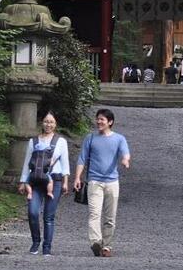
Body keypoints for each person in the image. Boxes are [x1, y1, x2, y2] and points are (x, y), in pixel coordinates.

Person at [73, 109, 130, 258]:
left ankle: (107, 246)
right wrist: (77, 177)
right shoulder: (90, 138)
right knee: (94, 213)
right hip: (94, 181)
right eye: (98, 119)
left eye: (102, 119)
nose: (99, 122)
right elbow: (82, 159)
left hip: (112, 182)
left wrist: (125, 160)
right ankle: (95, 242)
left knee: (110, 217)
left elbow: (125, 152)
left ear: (110, 122)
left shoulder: (119, 139)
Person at [18, 112, 70, 256]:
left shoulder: (61, 141)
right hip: (35, 180)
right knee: (32, 212)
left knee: (48, 215)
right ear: (42, 123)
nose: (48, 124)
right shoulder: (33, 141)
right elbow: (27, 163)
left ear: (56, 124)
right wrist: (23, 181)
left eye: (51, 122)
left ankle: (47, 246)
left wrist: (66, 182)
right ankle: (35, 242)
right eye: (46, 121)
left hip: (55, 180)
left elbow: (65, 164)